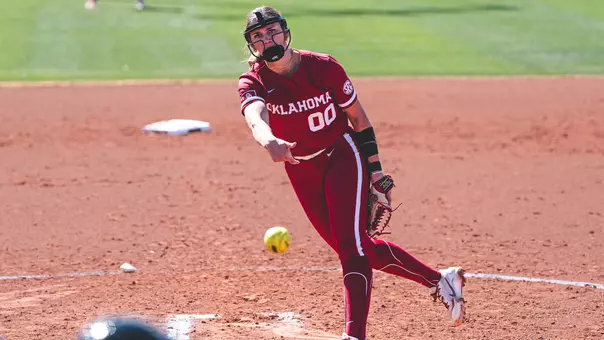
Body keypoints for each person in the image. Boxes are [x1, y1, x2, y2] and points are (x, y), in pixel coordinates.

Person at [237, 6, 466, 340]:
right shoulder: (253, 79)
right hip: (301, 169)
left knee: (352, 248)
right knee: (355, 247)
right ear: (251, 45)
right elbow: (254, 116)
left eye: (271, 31)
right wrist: (268, 139)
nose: (266, 39)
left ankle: (353, 335)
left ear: (285, 33)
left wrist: (375, 171)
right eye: (258, 36)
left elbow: (359, 120)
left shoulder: (323, 67)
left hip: (342, 155)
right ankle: (440, 280)